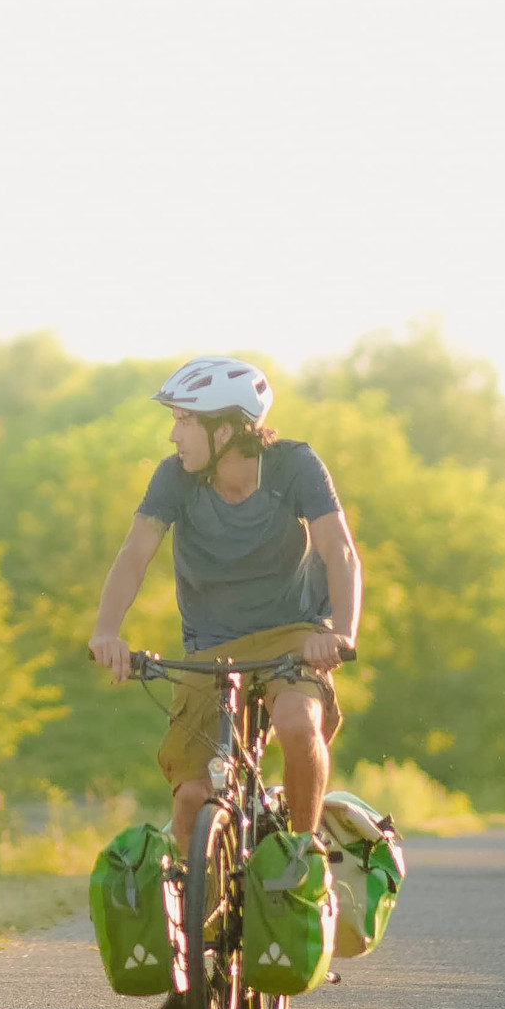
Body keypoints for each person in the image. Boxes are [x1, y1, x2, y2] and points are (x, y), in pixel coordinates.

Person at [85, 355, 364, 857]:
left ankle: (300, 857)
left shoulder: (294, 466)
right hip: (211, 645)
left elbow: (338, 550)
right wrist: (107, 631)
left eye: (184, 421)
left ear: (230, 428)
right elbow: (135, 554)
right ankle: (196, 916)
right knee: (193, 794)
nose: (174, 436)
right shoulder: (174, 477)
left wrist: (340, 633)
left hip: (295, 635)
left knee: (299, 727)